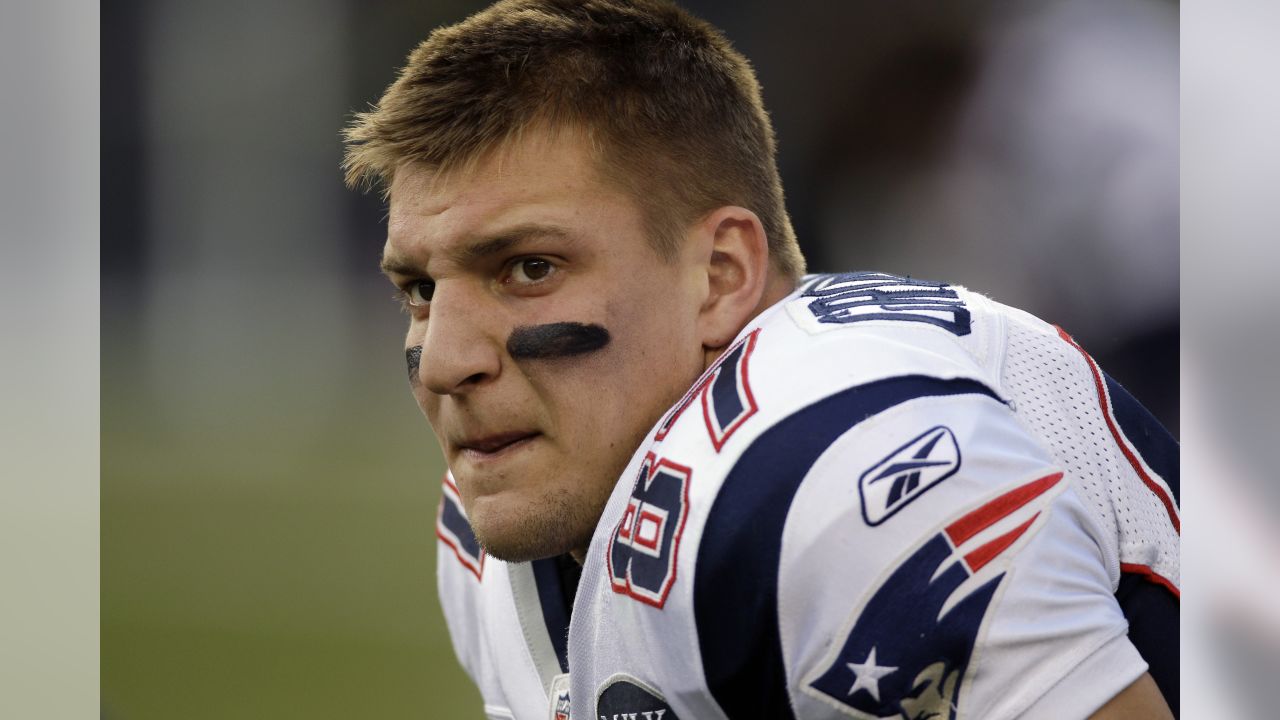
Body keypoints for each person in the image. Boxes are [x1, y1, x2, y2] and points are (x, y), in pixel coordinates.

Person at [342, 1, 1179, 718]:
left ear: (720, 277)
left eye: (530, 269)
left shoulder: (839, 482)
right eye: (419, 289)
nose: (444, 360)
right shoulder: (493, 530)